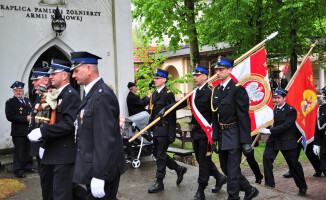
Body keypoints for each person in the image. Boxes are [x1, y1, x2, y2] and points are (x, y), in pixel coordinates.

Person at [70, 51, 127, 200]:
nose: (73, 75)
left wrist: (100, 175)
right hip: (94, 167)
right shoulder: (92, 94)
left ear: (89, 69)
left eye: (76, 71)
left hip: (103, 170)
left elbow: (105, 139)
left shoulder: (102, 95)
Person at [28, 59, 81, 200]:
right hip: (54, 152)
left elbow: (69, 124)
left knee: (61, 194)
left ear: (64, 75)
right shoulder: (57, 94)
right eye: (50, 74)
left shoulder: (70, 95)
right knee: (53, 191)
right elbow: (52, 121)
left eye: (54, 74)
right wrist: (44, 143)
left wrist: (42, 132)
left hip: (64, 155)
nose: (50, 76)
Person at [211, 56, 259, 200]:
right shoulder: (216, 90)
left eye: (221, 69)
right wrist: (214, 138)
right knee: (226, 169)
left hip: (235, 134)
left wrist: (245, 141)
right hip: (222, 135)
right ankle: (249, 190)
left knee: (232, 172)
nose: (218, 72)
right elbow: (215, 117)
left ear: (230, 70)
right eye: (217, 70)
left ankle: (233, 197)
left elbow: (243, 117)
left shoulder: (238, 90)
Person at [261, 88, 307, 196]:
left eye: (278, 98)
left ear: (284, 98)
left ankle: (302, 186)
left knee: (294, 165)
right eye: (275, 98)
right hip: (274, 140)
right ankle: (269, 183)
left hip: (287, 140)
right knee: (266, 158)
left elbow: (286, 126)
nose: (276, 100)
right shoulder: (272, 109)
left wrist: (269, 130)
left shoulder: (291, 110)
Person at [147, 69, 187, 193]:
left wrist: (171, 133)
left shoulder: (168, 94)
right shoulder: (154, 94)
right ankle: (178, 168)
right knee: (158, 153)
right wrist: (149, 128)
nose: (155, 79)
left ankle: (159, 182)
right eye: (155, 78)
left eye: (158, 78)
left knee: (160, 156)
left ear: (164, 80)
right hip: (156, 129)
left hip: (164, 129)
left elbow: (172, 114)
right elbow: (153, 113)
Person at [5, 81, 36, 178]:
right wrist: (25, 119)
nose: (18, 92)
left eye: (20, 90)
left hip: (29, 130)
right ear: (13, 92)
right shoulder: (10, 102)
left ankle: (28, 166)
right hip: (18, 132)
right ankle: (18, 170)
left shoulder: (28, 101)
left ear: (23, 91)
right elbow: (10, 117)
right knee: (19, 151)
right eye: (16, 90)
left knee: (28, 150)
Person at [29, 67, 51, 169]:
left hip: (46, 144)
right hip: (39, 143)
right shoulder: (40, 95)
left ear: (46, 80)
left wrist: (44, 144)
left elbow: (50, 121)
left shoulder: (51, 95)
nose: (33, 82)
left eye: (36, 80)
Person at [314, 87, 326, 176]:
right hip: (324, 142)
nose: (324, 99)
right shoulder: (322, 108)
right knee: (323, 166)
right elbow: (318, 127)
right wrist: (316, 143)